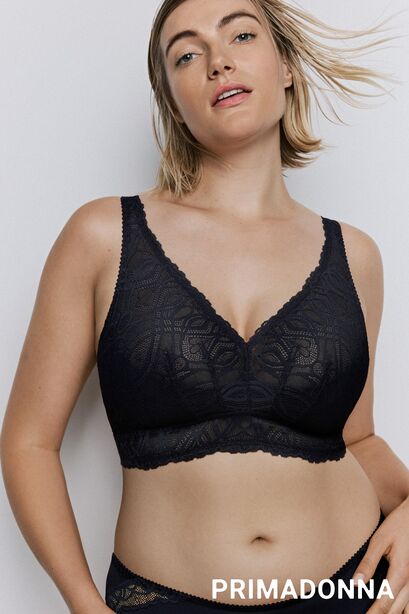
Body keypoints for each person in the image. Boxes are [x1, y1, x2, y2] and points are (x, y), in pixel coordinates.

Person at [2, 0, 409, 612]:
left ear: (286, 67)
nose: (218, 61)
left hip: (351, 592)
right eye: (187, 54)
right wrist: (84, 605)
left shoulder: (355, 256)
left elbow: (359, 438)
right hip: (164, 598)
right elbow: (29, 443)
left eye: (241, 35)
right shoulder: (104, 236)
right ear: (173, 102)